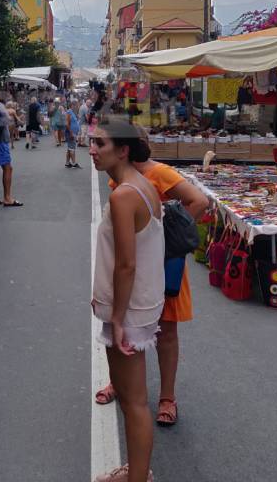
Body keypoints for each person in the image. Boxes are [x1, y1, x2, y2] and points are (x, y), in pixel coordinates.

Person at [94, 136, 210, 429]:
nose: (95, 150)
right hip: (135, 268)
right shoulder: (119, 178)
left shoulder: (157, 173)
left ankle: (167, 398)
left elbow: (199, 200)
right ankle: (119, 383)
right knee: (123, 332)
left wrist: (165, 238)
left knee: (166, 330)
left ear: (125, 150)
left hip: (162, 266)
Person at [90, 120, 164, 482]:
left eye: (99, 143)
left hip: (130, 310)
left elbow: (126, 264)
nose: (92, 150)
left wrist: (117, 319)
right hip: (141, 305)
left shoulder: (124, 194)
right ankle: (135, 471)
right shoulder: (143, 185)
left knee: (133, 401)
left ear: (122, 150)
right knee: (132, 398)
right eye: (91, 143)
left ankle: (138, 477)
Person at [64, 100, 82, 169]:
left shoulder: (72, 112)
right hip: (70, 133)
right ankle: (74, 163)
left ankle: (67, 163)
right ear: (73, 105)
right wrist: (71, 133)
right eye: (77, 105)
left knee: (69, 149)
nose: (78, 106)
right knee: (72, 149)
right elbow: (67, 124)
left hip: (73, 133)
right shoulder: (69, 112)